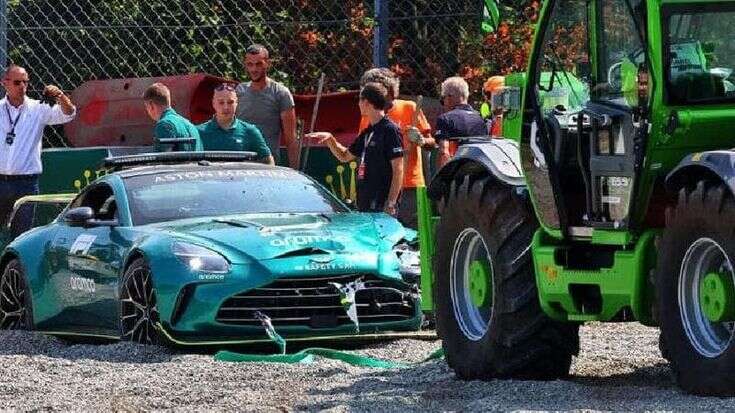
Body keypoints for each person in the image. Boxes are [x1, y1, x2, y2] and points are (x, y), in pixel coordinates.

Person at [307, 83, 404, 214]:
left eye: (360, 100)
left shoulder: (389, 130)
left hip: (381, 202)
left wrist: (391, 202)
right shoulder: (368, 132)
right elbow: (344, 156)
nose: (358, 104)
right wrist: (330, 139)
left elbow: (398, 169)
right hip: (365, 200)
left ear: (367, 102)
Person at [0, 65, 76, 231]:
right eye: (17, 82)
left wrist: (60, 96)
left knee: (22, 232)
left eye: (25, 82)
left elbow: (69, 114)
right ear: (4, 83)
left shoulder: (37, 108)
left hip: (26, 182)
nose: (23, 86)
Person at [358, 68, 432, 229]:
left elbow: (432, 143)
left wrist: (420, 139)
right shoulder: (368, 115)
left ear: (390, 90)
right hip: (380, 187)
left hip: (409, 185)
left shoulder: (409, 107)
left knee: (411, 237)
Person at [236, 44, 299, 168]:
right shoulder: (239, 91)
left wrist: (295, 172)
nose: (254, 69)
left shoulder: (280, 93)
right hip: (241, 163)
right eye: (250, 64)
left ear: (267, 64)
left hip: (268, 165)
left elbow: (290, 139)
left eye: (258, 64)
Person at [197, 84, 274, 165]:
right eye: (221, 102)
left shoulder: (250, 132)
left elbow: (268, 162)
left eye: (230, 102)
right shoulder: (199, 132)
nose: (226, 107)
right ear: (213, 104)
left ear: (237, 103)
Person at [435, 76, 488, 167]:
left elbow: (443, 152)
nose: (443, 103)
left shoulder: (445, 119)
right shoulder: (480, 119)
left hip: (458, 172)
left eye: (443, 98)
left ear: (449, 97)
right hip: (479, 170)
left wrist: (443, 177)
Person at [143, 82, 202, 152]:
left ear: (151, 105)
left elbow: (162, 159)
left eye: (146, 107)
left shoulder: (164, 125)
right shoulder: (191, 126)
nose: (147, 111)